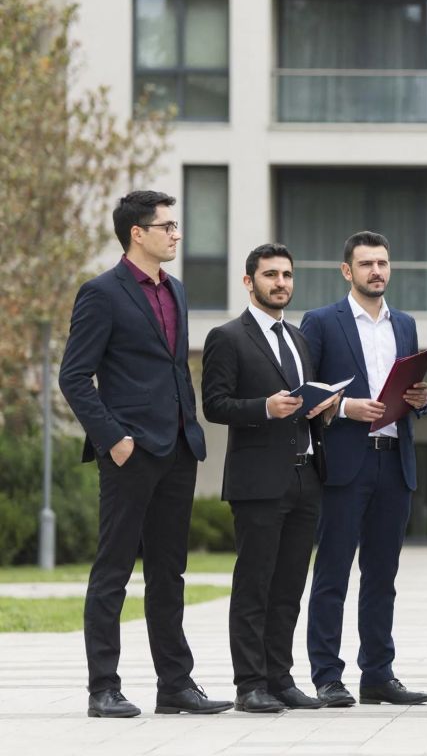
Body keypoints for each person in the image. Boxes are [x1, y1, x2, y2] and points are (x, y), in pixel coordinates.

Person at [58, 191, 233, 718]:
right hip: (129, 452)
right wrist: (114, 439)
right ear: (138, 232)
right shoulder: (101, 293)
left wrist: (190, 428)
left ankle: (175, 685)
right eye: (168, 226)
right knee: (112, 570)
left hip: (179, 446)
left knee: (168, 573)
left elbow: (175, 368)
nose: (177, 234)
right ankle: (103, 688)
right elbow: (74, 376)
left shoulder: (175, 289)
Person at [202, 243, 340, 713]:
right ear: (249, 282)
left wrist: (322, 406)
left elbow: (304, 403)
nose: (280, 282)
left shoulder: (300, 338)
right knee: (254, 586)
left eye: (286, 274)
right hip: (258, 482)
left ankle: (280, 679)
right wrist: (264, 407)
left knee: (288, 589)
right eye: (270, 275)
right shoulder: (227, 337)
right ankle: (250, 684)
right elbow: (215, 404)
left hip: (306, 477)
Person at [299, 232, 427, 707]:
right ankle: (327, 677)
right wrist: (342, 407)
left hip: (395, 463)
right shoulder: (320, 323)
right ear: (346, 270)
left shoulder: (406, 324)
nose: (377, 271)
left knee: (382, 576)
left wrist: (422, 398)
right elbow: (303, 394)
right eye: (366, 263)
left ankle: (378, 673)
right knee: (333, 572)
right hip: (345, 466)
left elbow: (413, 386)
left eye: (382, 263)